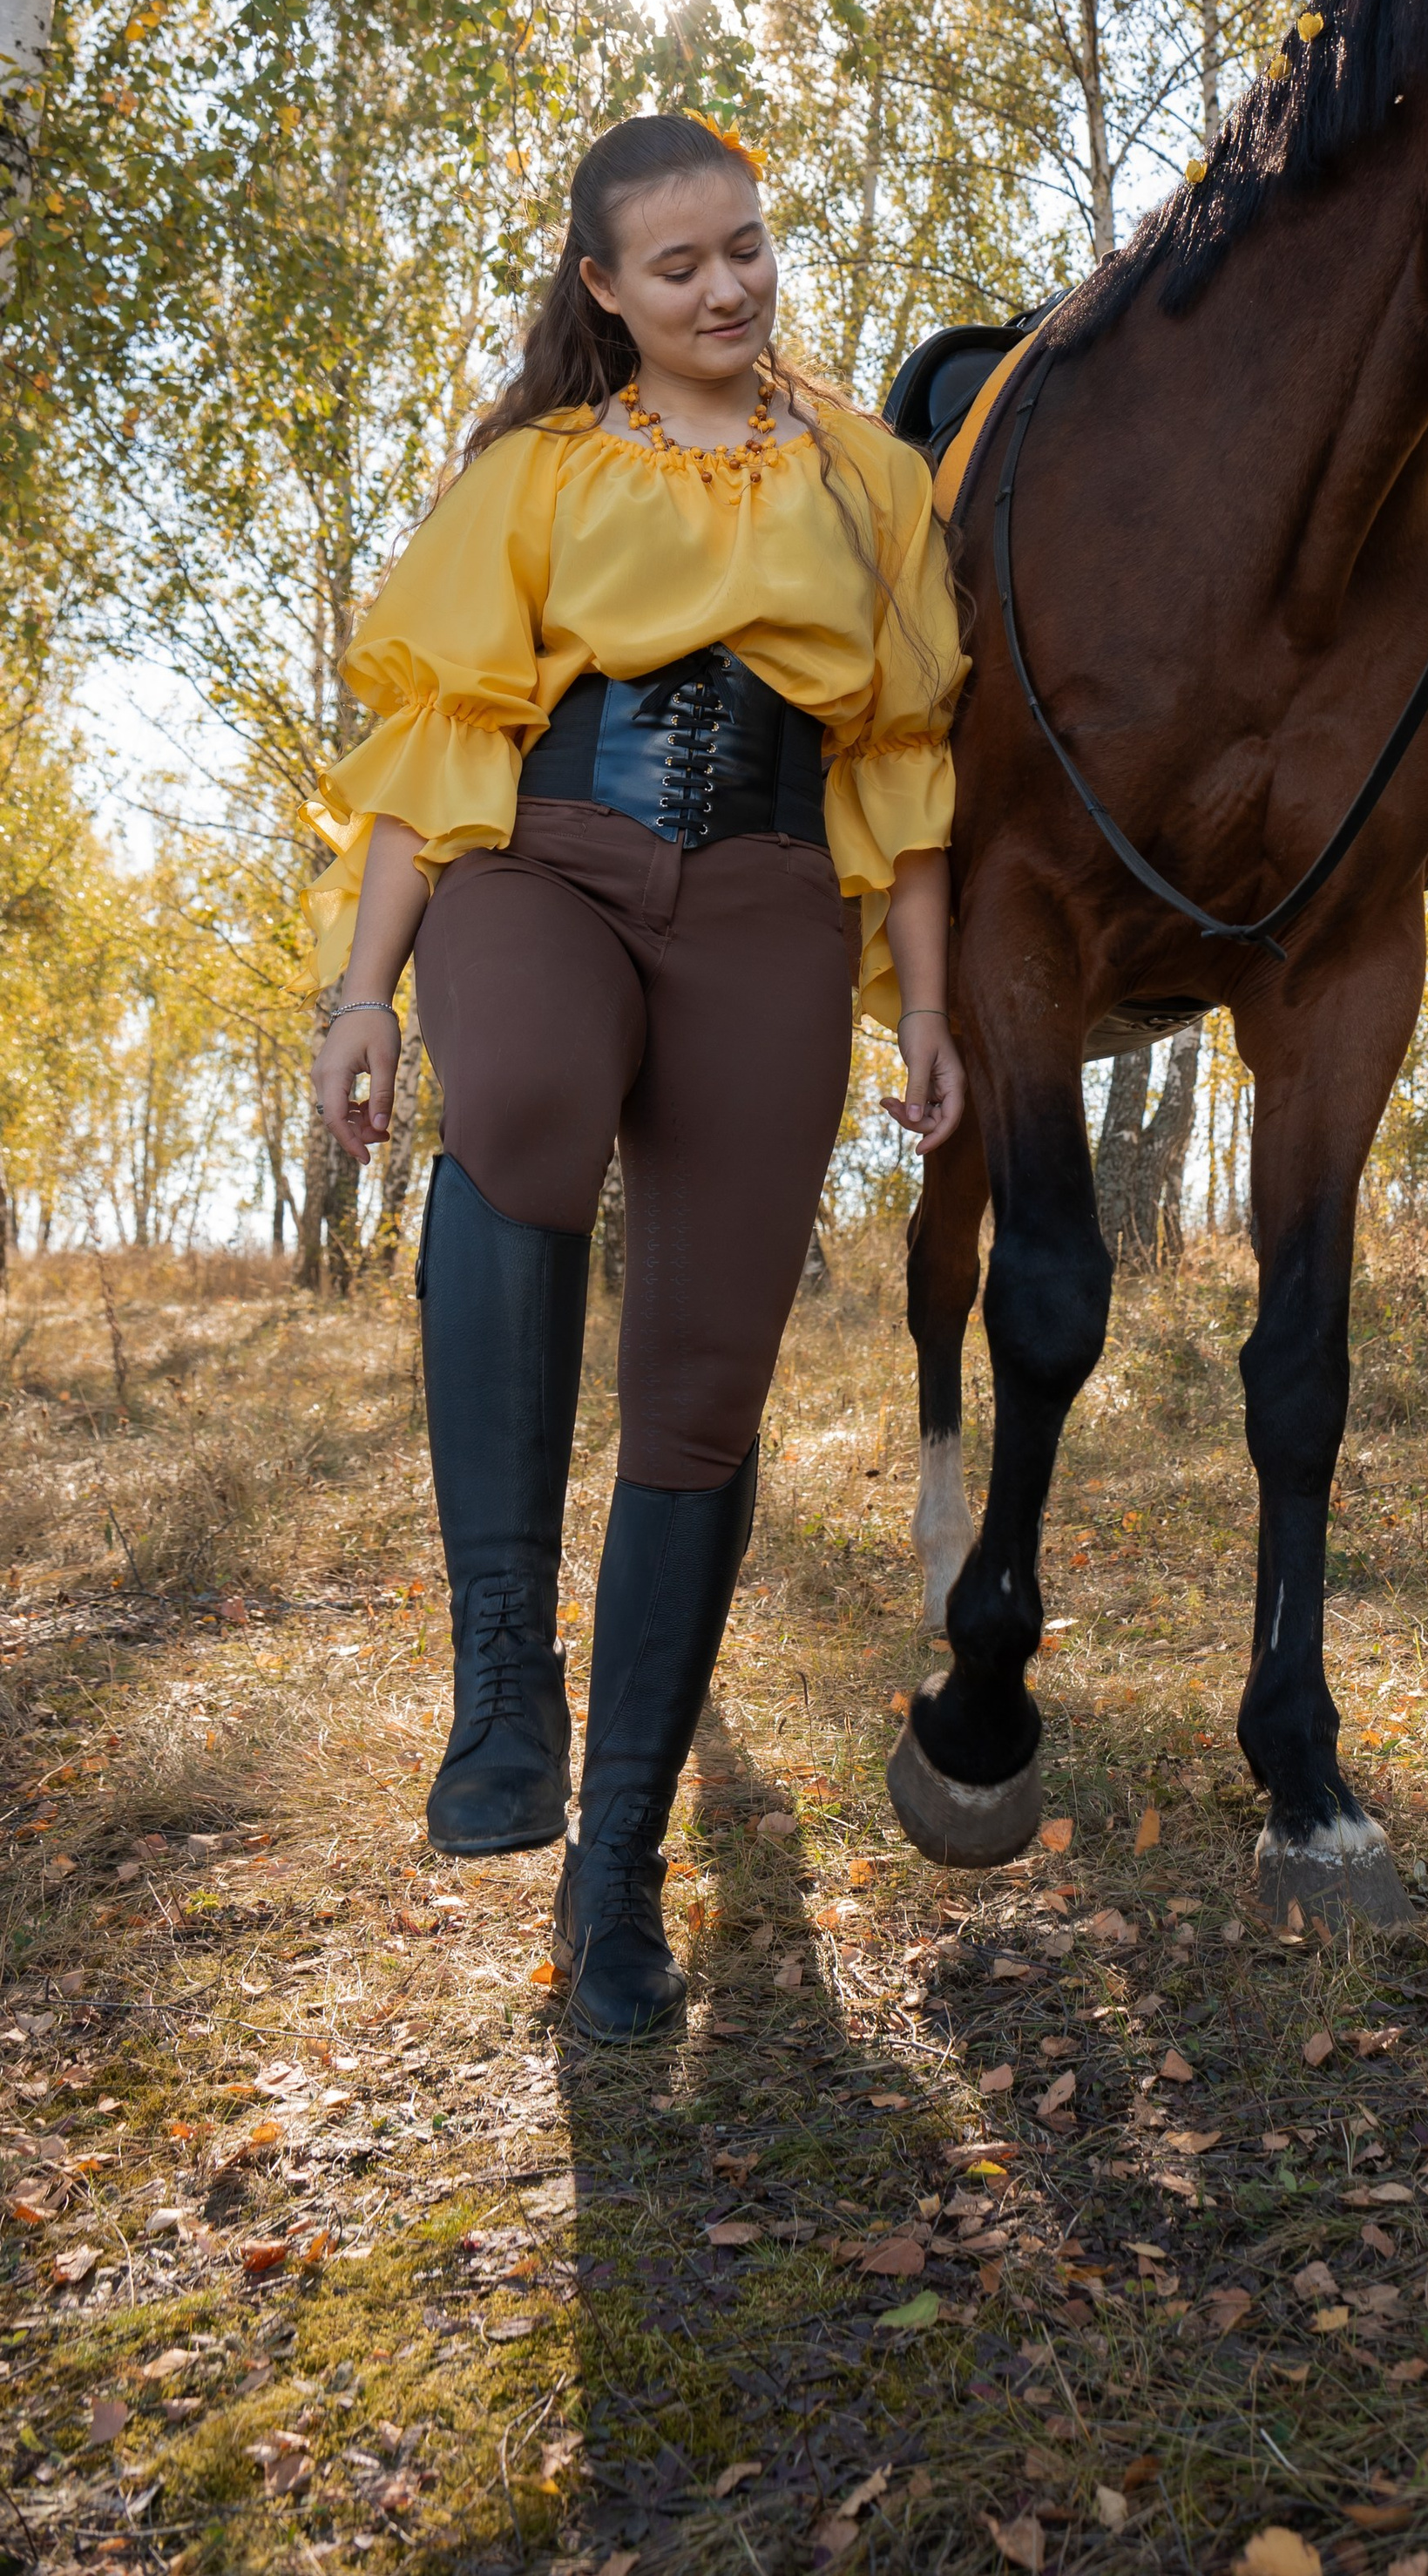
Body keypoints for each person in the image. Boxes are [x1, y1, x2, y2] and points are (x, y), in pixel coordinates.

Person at [305, 110, 966, 2038]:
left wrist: (917, 1005)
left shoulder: (868, 483)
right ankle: (505, 1672)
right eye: (676, 264)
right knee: (510, 1111)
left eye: (744, 248)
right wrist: (362, 996)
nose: (724, 288)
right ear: (601, 287)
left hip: (766, 899)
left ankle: (614, 1879)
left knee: (703, 1383)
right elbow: (446, 737)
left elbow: (902, 771)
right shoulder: (534, 471)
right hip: (548, 858)